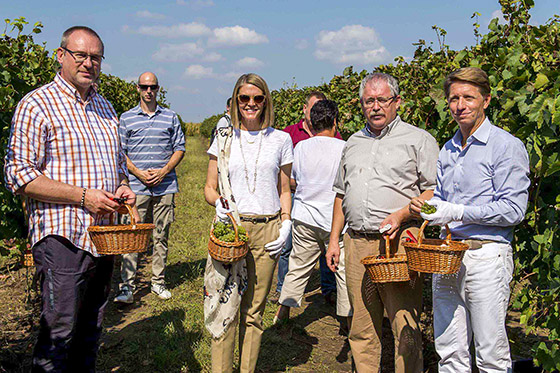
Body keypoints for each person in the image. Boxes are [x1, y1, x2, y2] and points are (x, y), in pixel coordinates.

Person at [4, 26, 136, 371]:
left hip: (103, 237)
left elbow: (117, 166)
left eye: (95, 57)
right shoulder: (37, 104)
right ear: (61, 55)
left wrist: (121, 186)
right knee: (59, 332)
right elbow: (18, 175)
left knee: (91, 330)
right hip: (63, 236)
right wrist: (81, 197)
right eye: (80, 55)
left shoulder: (106, 108)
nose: (88, 63)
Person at [326, 72, 440, 372]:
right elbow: (341, 193)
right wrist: (334, 240)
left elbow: (434, 190)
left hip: (399, 243)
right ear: (362, 104)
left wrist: (403, 214)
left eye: (382, 100)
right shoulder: (352, 142)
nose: (375, 106)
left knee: (405, 327)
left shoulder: (418, 140)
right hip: (356, 242)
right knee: (361, 327)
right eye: (369, 101)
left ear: (397, 102)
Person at [419, 67, 530, 372]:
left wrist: (458, 212)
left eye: (468, 97)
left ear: (486, 100)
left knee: (490, 351)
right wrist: (428, 210)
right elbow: (441, 199)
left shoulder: (505, 146)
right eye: (454, 98)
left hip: (486, 256)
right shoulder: (449, 149)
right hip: (447, 255)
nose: (460, 105)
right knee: (449, 349)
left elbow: (513, 210)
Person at [204, 73, 293, 373]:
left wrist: (286, 222)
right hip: (233, 229)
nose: (251, 104)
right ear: (236, 101)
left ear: (265, 100)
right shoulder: (224, 138)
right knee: (225, 309)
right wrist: (218, 203)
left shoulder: (281, 139)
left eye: (257, 98)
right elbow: (209, 187)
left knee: (254, 312)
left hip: (268, 230)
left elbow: (284, 189)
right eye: (244, 98)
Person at [275, 100, 351, 325]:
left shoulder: (301, 147)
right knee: (343, 272)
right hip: (334, 221)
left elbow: (293, 180)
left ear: (312, 122)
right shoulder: (345, 147)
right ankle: (347, 321)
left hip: (305, 217)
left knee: (298, 267)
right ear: (335, 122)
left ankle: (282, 314)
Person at [114, 72, 185, 303]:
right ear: (137, 88)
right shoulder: (126, 118)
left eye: (152, 87)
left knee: (161, 235)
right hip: (135, 188)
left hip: (165, 186)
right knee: (131, 236)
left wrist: (164, 171)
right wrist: (138, 172)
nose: (148, 91)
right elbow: (120, 152)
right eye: (144, 87)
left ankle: (158, 281)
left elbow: (179, 148)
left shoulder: (170, 117)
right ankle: (127, 287)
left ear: (158, 89)